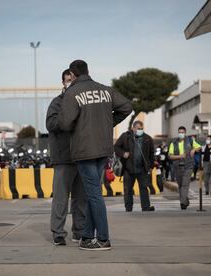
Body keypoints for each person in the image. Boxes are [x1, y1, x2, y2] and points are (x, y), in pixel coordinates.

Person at [59, 60, 132, 251]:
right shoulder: (105, 90)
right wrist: (109, 123)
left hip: (84, 150)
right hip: (103, 149)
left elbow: (65, 124)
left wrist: (80, 126)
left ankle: (103, 238)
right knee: (93, 194)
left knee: (94, 195)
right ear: (88, 71)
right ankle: (86, 236)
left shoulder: (72, 93)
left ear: (73, 75)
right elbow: (126, 107)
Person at [46, 69, 86, 246]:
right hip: (63, 158)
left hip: (82, 156)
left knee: (81, 199)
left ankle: (79, 231)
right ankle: (58, 233)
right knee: (61, 198)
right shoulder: (57, 102)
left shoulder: (82, 101)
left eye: (73, 80)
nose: (70, 83)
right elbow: (51, 124)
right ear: (63, 83)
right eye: (67, 80)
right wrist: (69, 118)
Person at [114, 120, 155, 212]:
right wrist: (123, 153)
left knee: (144, 189)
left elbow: (151, 154)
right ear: (133, 128)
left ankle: (146, 208)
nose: (140, 130)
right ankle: (128, 208)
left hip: (142, 169)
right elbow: (116, 147)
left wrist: (151, 166)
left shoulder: (147, 139)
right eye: (138, 128)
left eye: (141, 128)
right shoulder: (126, 136)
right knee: (128, 190)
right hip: (128, 169)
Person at [168, 126, 201, 210]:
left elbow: (199, 147)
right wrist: (180, 156)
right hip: (177, 167)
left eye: (182, 132)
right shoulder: (173, 143)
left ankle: (182, 202)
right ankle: (185, 201)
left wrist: (194, 150)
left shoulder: (190, 141)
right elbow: (170, 156)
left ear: (185, 133)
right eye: (180, 132)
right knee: (180, 185)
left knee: (185, 185)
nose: (181, 134)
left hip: (188, 166)